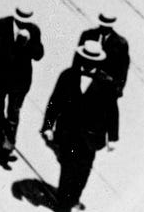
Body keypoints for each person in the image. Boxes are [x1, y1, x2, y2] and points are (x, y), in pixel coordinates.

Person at [41, 40, 119, 211]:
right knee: (68, 171)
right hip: (68, 134)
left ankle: (74, 199)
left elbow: (112, 112)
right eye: (85, 58)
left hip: (91, 138)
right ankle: (63, 205)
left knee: (83, 172)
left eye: (92, 60)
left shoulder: (106, 83)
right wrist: (48, 126)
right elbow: (54, 102)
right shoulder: (68, 76)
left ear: (98, 61)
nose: (88, 63)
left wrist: (112, 137)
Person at [0, 5, 44, 167]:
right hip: (1, 77)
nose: (23, 25)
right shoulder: (1, 25)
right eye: (20, 21)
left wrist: (28, 43)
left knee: (13, 113)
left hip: (20, 80)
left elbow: (39, 55)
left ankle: (7, 146)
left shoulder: (34, 31)